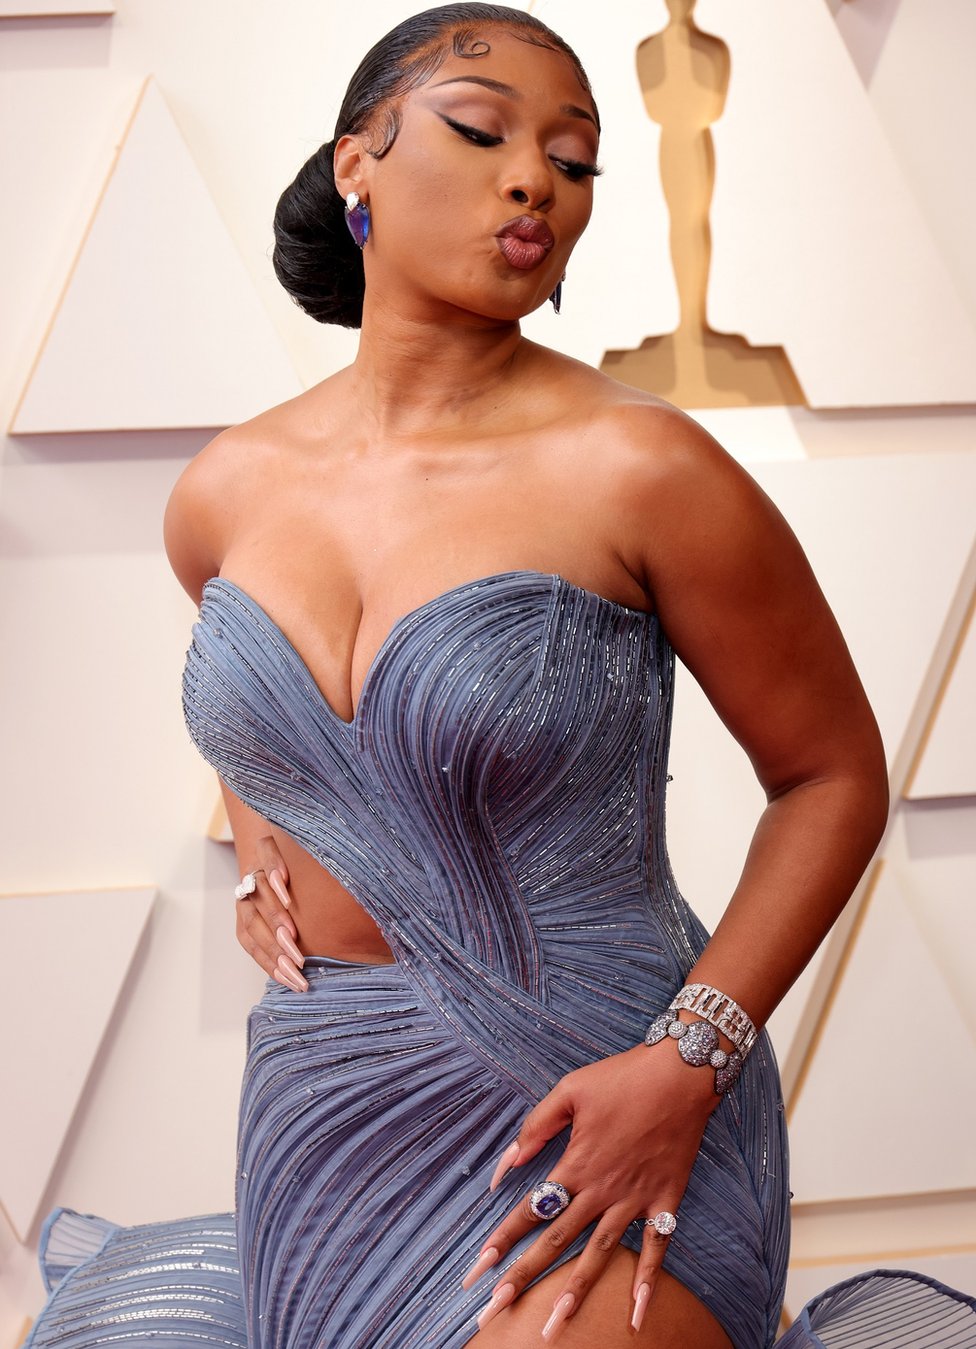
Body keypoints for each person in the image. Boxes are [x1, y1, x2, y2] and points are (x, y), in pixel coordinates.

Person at [23, 6, 976, 1348]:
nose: (535, 179)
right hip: (329, 1115)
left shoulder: (645, 470)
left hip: (612, 1093)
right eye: (481, 132)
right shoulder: (223, 492)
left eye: (573, 161)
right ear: (355, 162)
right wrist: (263, 854)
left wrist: (688, 1063)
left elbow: (831, 777)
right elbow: (265, 718)